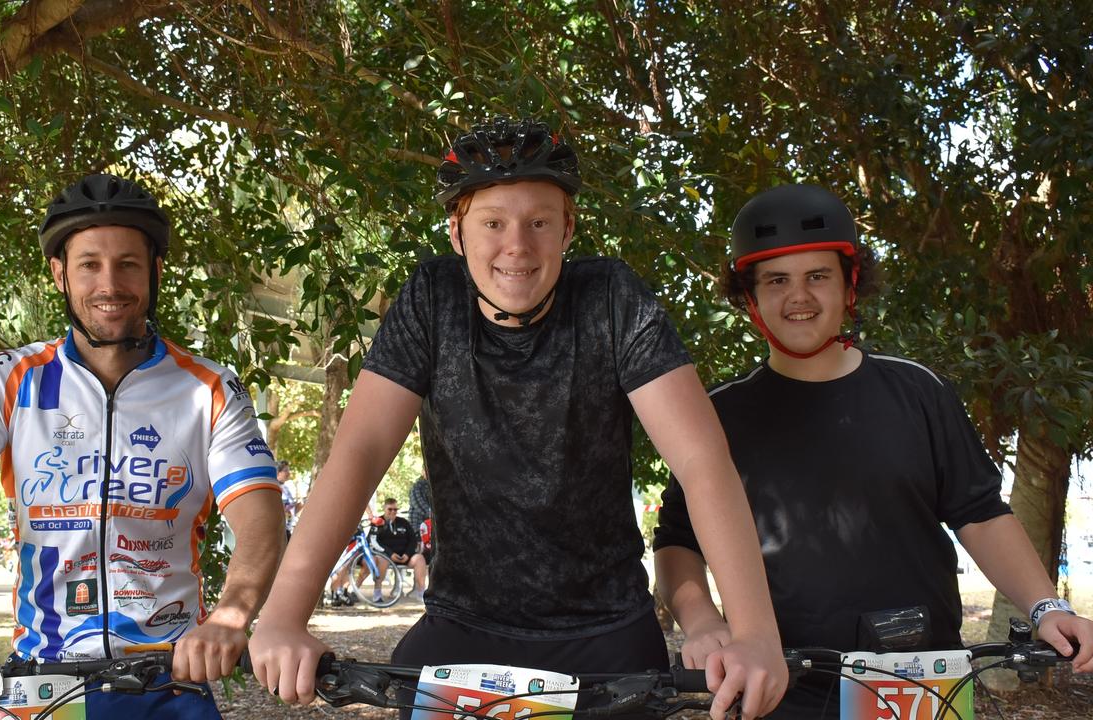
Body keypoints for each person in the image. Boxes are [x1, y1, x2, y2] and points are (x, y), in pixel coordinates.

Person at [248, 117, 788, 720]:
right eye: (493, 222)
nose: (518, 246)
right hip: (464, 622)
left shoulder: (613, 297)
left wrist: (754, 634)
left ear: (569, 228)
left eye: (539, 222)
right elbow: (361, 451)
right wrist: (283, 616)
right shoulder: (431, 297)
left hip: (607, 628)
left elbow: (701, 462)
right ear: (457, 232)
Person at [0, 174, 285, 718]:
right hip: (44, 681)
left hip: (169, 679)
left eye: (128, 263)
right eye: (89, 264)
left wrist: (230, 615)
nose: (110, 283)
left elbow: (258, 515)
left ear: (155, 271)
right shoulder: (8, 380)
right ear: (60, 274)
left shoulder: (208, 388)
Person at [653, 183, 1093, 719]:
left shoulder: (918, 391)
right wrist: (703, 622)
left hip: (921, 681)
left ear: (850, 284)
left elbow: (980, 513)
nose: (799, 297)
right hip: (781, 684)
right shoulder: (715, 415)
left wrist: (1047, 606)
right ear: (749, 297)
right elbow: (677, 542)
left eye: (818, 276)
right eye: (776, 280)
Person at [370, 498, 426, 601]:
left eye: (395, 509)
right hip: (386, 556)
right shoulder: (378, 522)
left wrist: (407, 554)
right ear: (384, 508)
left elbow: (413, 540)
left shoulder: (403, 522)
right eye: (390, 509)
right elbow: (373, 542)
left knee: (419, 558)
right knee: (381, 559)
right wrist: (390, 554)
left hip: (405, 556)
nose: (393, 512)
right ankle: (377, 594)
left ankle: (421, 592)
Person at [407, 472, 435, 565]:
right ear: (423, 471)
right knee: (419, 553)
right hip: (418, 526)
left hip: (430, 527)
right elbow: (418, 503)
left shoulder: (433, 485)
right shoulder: (417, 486)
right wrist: (434, 515)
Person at [276, 460, 302, 538]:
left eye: (289, 470)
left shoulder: (286, 488)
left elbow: (291, 511)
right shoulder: (274, 487)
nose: (288, 473)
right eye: (285, 470)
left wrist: (300, 505)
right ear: (278, 472)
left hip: (288, 529)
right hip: (279, 530)